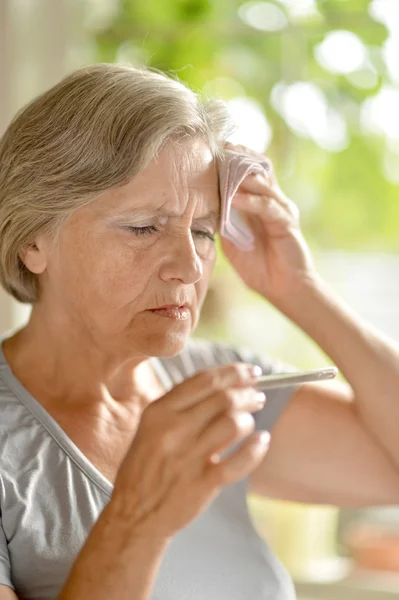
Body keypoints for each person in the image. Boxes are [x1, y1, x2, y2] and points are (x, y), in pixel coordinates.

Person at [0, 64, 398, 600]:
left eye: (204, 231)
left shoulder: (216, 387)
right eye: (144, 227)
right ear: (32, 241)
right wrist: (137, 518)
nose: (189, 267)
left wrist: (300, 290)